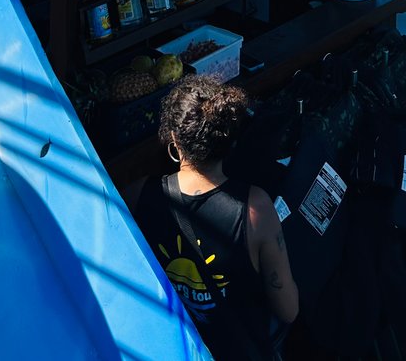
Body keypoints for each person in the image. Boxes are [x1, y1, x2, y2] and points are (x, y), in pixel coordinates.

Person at [128, 76, 298, 360]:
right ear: (230, 141)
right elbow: (288, 310)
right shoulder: (254, 209)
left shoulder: (139, 194)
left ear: (174, 140)